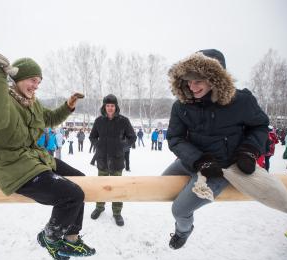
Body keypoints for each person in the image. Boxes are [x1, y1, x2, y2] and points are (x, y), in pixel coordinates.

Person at [0, 49, 95, 260]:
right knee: (71, 195)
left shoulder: (32, 103)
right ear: (17, 78)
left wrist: (68, 106)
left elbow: (49, 118)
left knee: (80, 181)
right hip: (13, 167)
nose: (36, 85)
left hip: (35, 158)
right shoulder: (1, 102)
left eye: (39, 82)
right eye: (32, 80)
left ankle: (71, 239)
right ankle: (51, 238)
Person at [162, 49, 269, 249]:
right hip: (193, 161)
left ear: (215, 78)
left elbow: (260, 126)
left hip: (220, 170)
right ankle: (196, 169)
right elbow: (175, 137)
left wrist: (249, 151)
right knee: (161, 186)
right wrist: (198, 159)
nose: (192, 87)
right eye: (188, 81)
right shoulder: (181, 105)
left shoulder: (242, 101)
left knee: (179, 210)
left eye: (198, 81)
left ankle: (183, 231)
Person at [89, 94, 136, 226]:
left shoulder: (123, 121)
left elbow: (132, 137)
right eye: (107, 105)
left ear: (116, 107)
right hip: (102, 160)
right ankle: (99, 207)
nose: (110, 108)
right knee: (101, 186)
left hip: (117, 160)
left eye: (112, 105)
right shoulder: (99, 121)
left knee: (117, 187)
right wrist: (98, 145)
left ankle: (117, 212)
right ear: (104, 106)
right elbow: (92, 136)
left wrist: (122, 146)